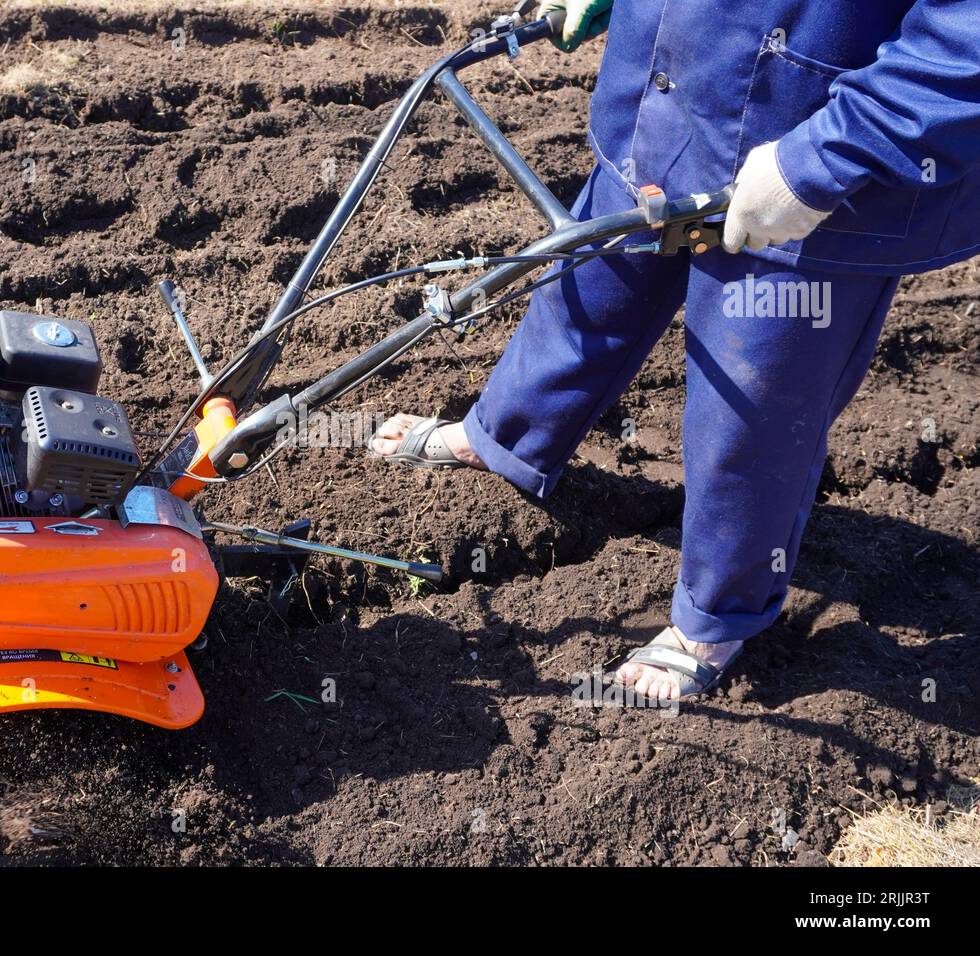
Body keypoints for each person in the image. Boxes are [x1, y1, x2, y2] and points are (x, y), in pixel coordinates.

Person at [370, 0, 980, 700]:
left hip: (813, 155)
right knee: (586, 292)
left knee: (751, 405)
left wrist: (825, 157)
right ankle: (505, 437)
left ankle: (715, 617)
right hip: (667, 90)